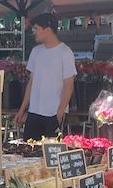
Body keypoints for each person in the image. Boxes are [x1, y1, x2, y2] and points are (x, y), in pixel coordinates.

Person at [14, 12, 76, 141]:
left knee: (51, 152)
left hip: (53, 112)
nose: (34, 32)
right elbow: (31, 83)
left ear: (48, 30)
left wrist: (60, 112)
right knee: (29, 149)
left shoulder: (65, 52)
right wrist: (22, 110)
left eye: (36, 29)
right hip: (34, 111)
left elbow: (69, 86)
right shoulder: (36, 52)